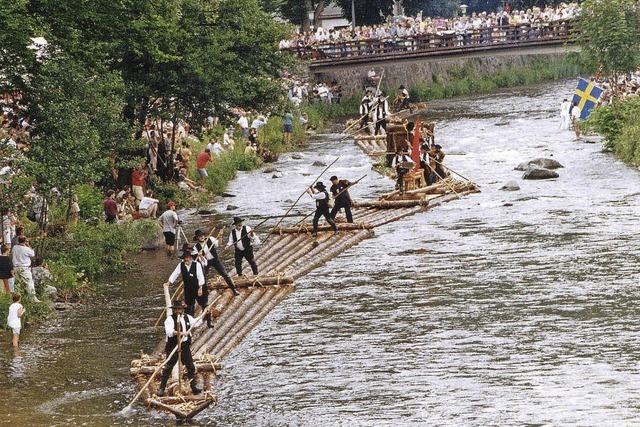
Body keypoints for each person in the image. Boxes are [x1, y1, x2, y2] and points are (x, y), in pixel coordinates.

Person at [157, 298, 202, 397]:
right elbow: (169, 332)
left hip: (184, 346)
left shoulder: (187, 317)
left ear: (182, 309)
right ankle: (161, 388)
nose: (177, 311)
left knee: (190, 366)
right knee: (168, 367)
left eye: (179, 309)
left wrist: (204, 315)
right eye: (176, 309)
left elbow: (196, 323)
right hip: (173, 346)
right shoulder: (170, 319)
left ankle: (193, 387)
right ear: (173, 310)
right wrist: (181, 333)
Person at [166, 246, 210, 324]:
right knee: (189, 307)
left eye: (188, 258)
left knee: (204, 304)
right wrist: (169, 282)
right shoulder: (181, 265)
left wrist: (200, 288)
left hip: (198, 288)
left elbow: (201, 277)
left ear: (191, 258)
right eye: (185, 258)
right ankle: (189, 323)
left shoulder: (197, 265)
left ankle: (208, 321)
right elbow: (175, 274)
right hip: (188, 289)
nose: (186, 260)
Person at [192, 229, 239, 297]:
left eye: (202, 235)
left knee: (225, 274)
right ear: (197, 238)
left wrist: (220, 237)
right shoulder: (195, 247)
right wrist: (200, 255)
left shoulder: (210, 239)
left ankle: (234, 289)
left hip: (215, 260)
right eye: (199, 236)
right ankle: (205, 293)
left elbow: (219, 244)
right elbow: (197, 258)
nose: (202, 237)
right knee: (203, 277)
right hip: (205, 262)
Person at [12, 236, 38, 301]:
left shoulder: (14, 247)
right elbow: (33, 254)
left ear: (18, 241)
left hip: (16, 268)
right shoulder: (26, 249)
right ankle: (33, 299)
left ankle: (18, 299)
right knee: (29, 283)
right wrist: (28, 245)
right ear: (25, 241)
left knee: (18, 284)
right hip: (24, 268)